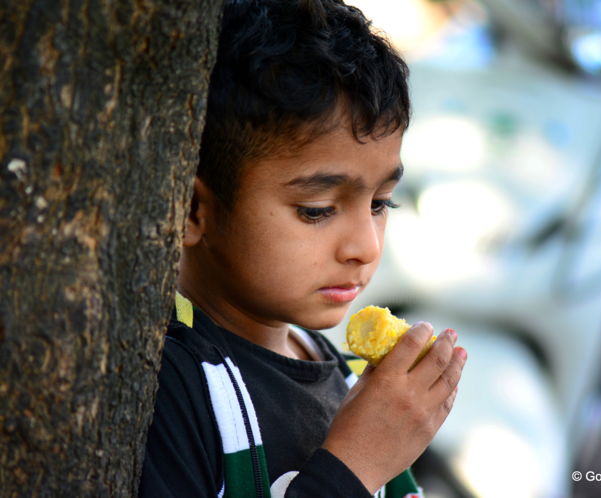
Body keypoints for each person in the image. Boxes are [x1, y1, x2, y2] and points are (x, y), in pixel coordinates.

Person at [139, 0, 467, 496]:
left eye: (381, 204)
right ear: (189, 210)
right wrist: (355, 465)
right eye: (316, 209)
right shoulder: (172, 390)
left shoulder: (341, 372)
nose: (365, 246)